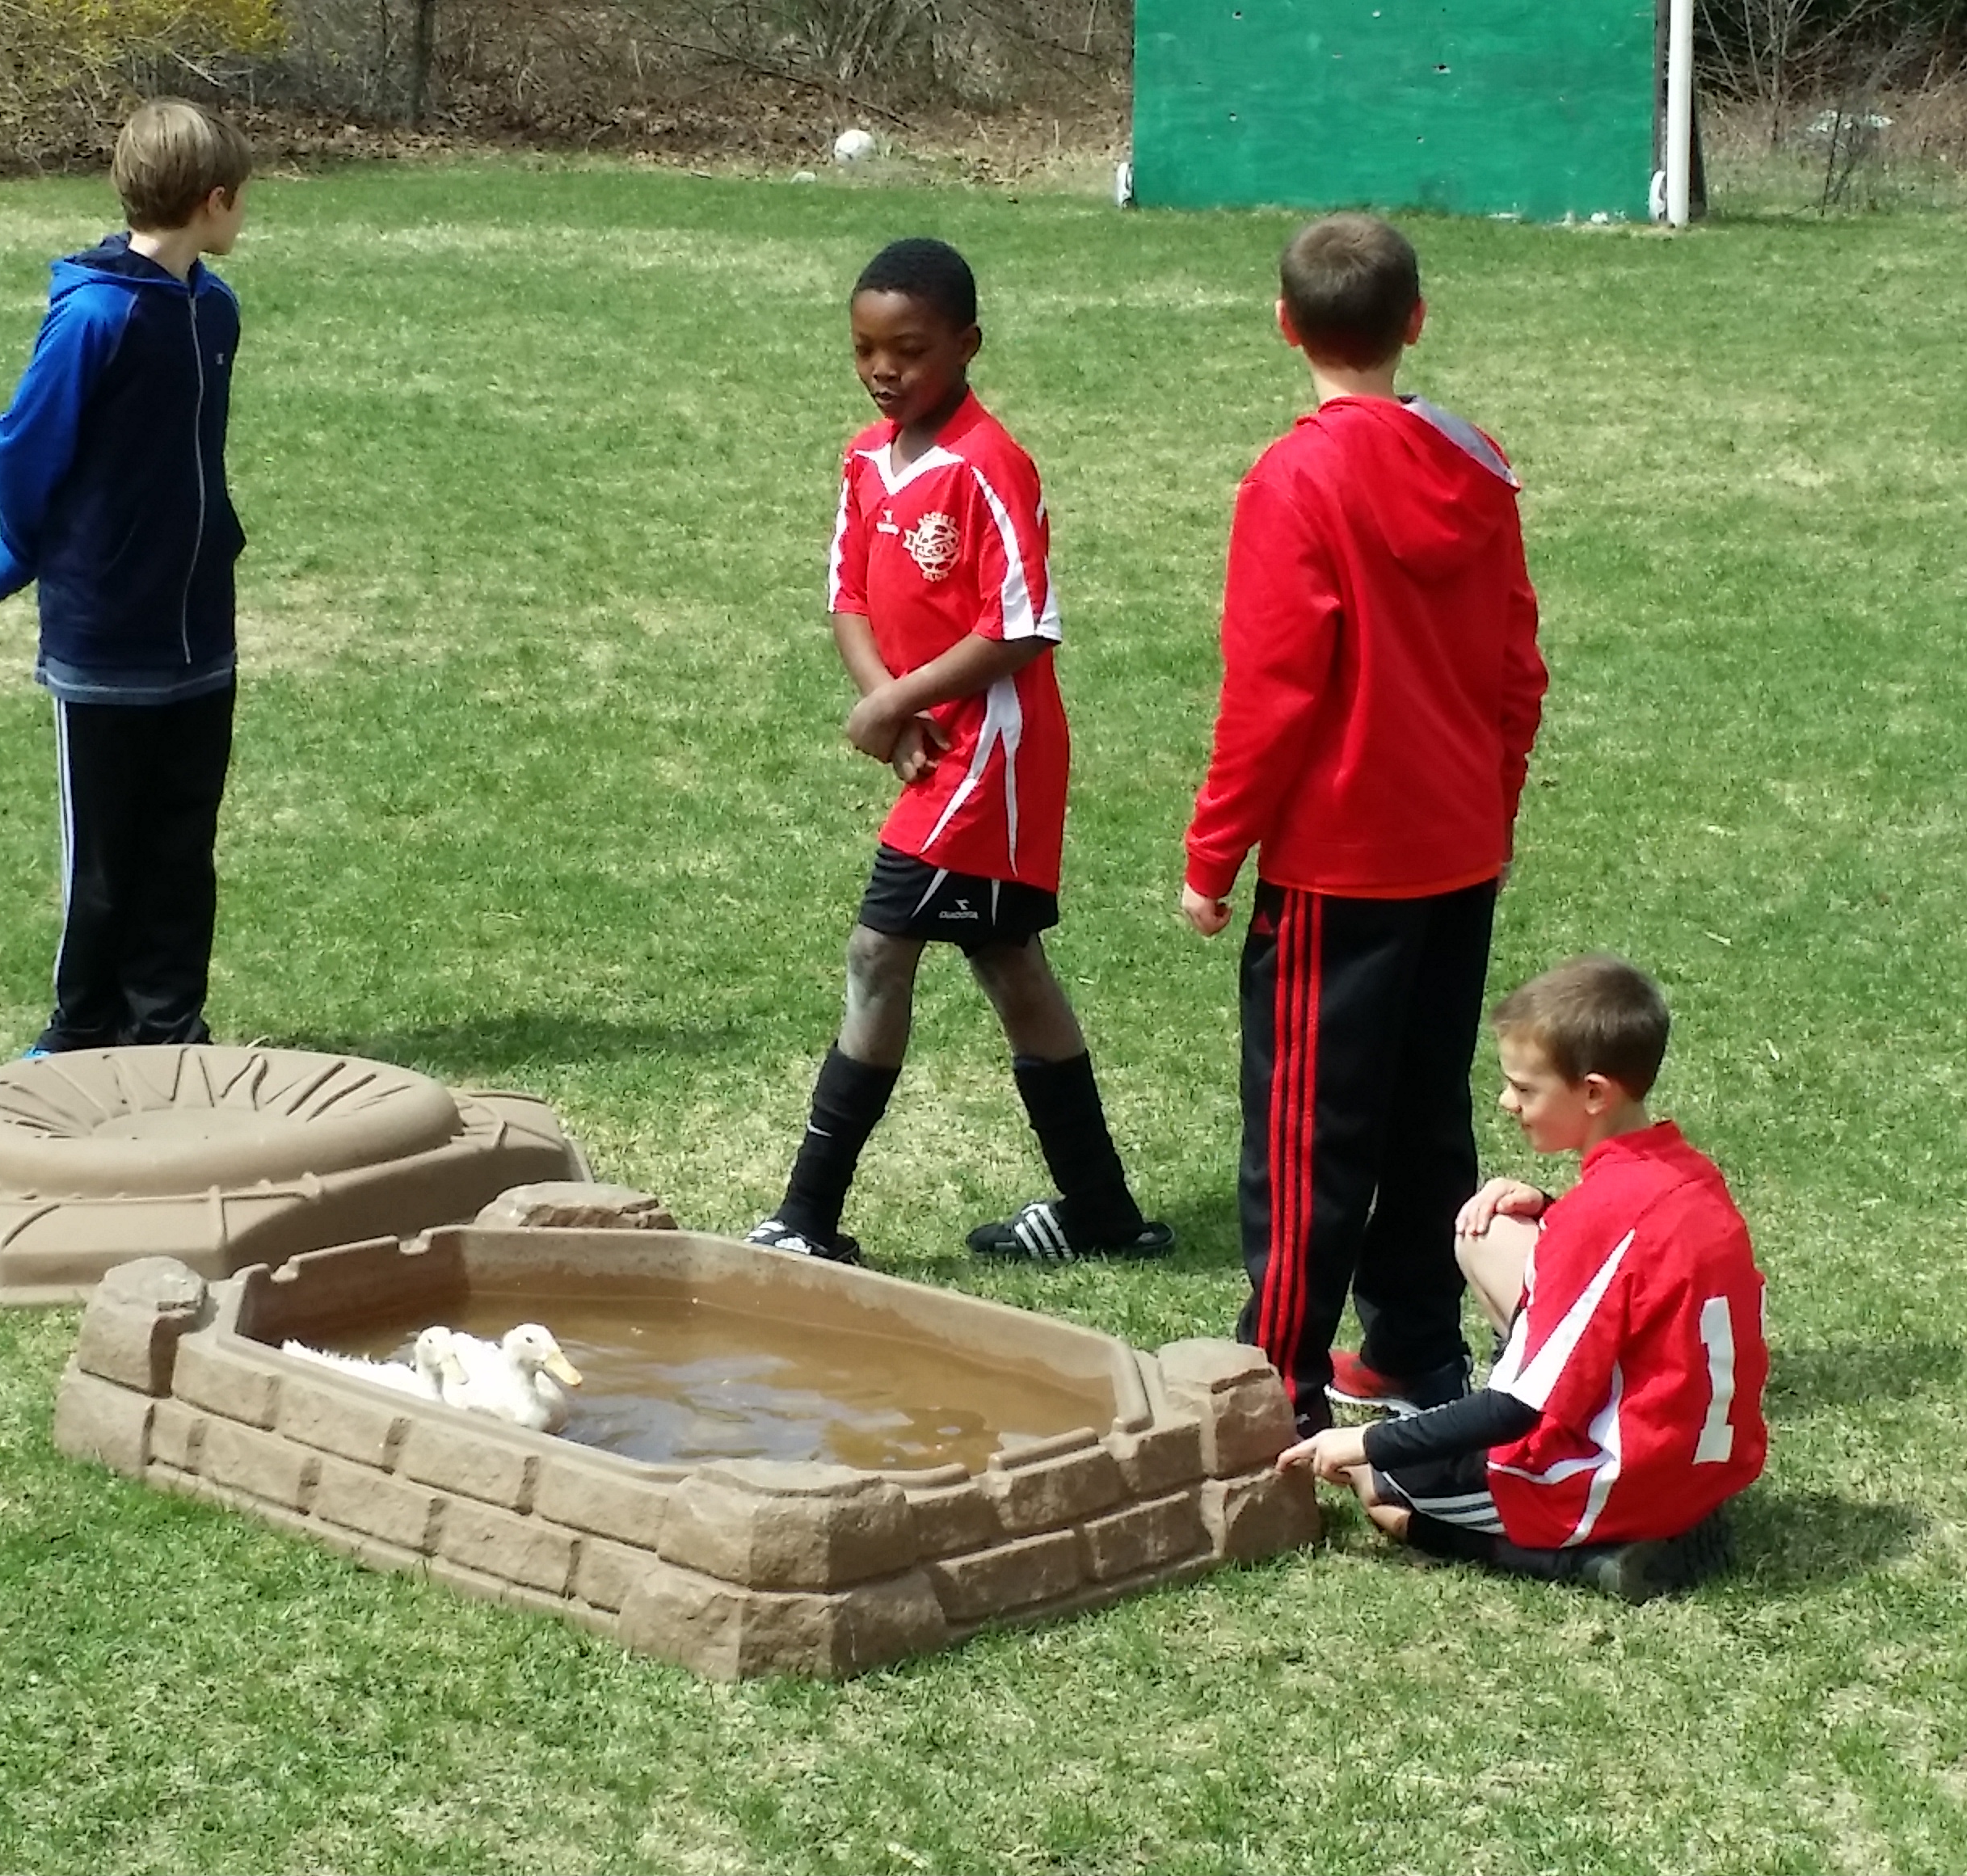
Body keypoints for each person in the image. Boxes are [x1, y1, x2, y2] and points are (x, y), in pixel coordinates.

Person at [1178, 212, 1548, 1432]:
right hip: (1458, 854)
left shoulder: (1293, 480)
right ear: (1417, 321)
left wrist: (1212, 854)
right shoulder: (1478, 462)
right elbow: (1518, 668)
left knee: (1307, 1137)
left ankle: (1278, 1387)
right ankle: (1415, 1349)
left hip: (1339, 869)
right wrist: (1488, 803)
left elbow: (1271, 692)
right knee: (1428, 1111)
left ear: (1285, 325)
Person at [747, 237, 1170, 1268]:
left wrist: (900, 701)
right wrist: (887, 707)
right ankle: (1103, 1214)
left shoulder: (991, 464)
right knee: (1008, 962)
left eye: (911, 351)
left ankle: (806, 1218)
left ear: (968, 345)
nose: (884, 370)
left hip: (993, 758)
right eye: (866, 350)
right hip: (937, 745)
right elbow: (848, 597)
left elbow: (1021, 625)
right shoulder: (866, 459)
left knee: (878, 951)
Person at [1277, 956, 1768, 1600]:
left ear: (1594, 1093)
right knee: (1487, 1231)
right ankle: (1665, 1517)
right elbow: (1636, 1265)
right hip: (1705, 1464)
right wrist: (1549, 1208)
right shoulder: (1688, 1173)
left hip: (1620, 1480)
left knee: (1382, 1489)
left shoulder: (1599, 1219)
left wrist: (1366, 1441)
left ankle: (1592, 1561)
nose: (1507, 1102)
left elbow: (1512, 1410)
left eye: (1524, 1089)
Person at [0, 98, 252, 1055]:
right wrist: (22, 552)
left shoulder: (213, 309)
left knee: (183, 843)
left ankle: (167, 1028)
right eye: (244, 200)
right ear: (214, 200)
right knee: (106, 857)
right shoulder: (95, 317)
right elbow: (20, 450)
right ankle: (80, 1029)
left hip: (199, 627)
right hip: (104, 632)